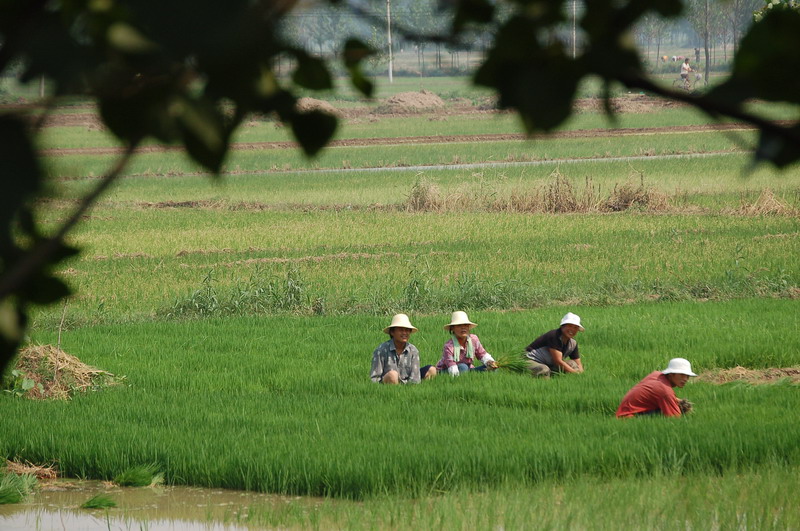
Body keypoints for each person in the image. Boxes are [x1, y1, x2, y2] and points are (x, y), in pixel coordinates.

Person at [616, 358, 697, 418]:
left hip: (625, 413)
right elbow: (675, 419)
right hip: (630, 418)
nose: (686, 379)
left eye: (687, 376)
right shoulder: (665, 391)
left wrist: (678, 401)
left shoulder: (656, 375)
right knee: (663, 416)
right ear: (671, 374)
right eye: (682, 375)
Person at [370, 314, 436, 384]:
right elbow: (375, 378)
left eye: (407, 330)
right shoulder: (381, 350)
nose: (405, 333)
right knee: (393, 375)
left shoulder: (413, 350)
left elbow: (415, 378)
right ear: (392, 332)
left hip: (407, 382)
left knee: (432, 370)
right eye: (401, 330)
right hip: (388, 382)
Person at [436, 311, 497, 377]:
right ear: (453, 328)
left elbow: (482, 354)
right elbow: (452, 367)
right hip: (448, 370)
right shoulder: (449, 346)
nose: (463, 328)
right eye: (459, 325)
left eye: (465, 325)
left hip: (468, 369)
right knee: (463, 367)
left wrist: (490, 362)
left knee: (493, 368)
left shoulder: (474, 339)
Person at [524, 312, 584, 377]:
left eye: (575, 327)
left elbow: (578, 363)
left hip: (549, 363)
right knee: (544, 369)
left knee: (572, 364)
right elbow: (558, 361)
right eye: (569, 326)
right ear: (562, 326)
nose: (572, 329)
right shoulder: (554, 336)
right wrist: (575, 373)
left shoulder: (573, 343)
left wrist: (581, 374)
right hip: (530, 360)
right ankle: (545, 386)